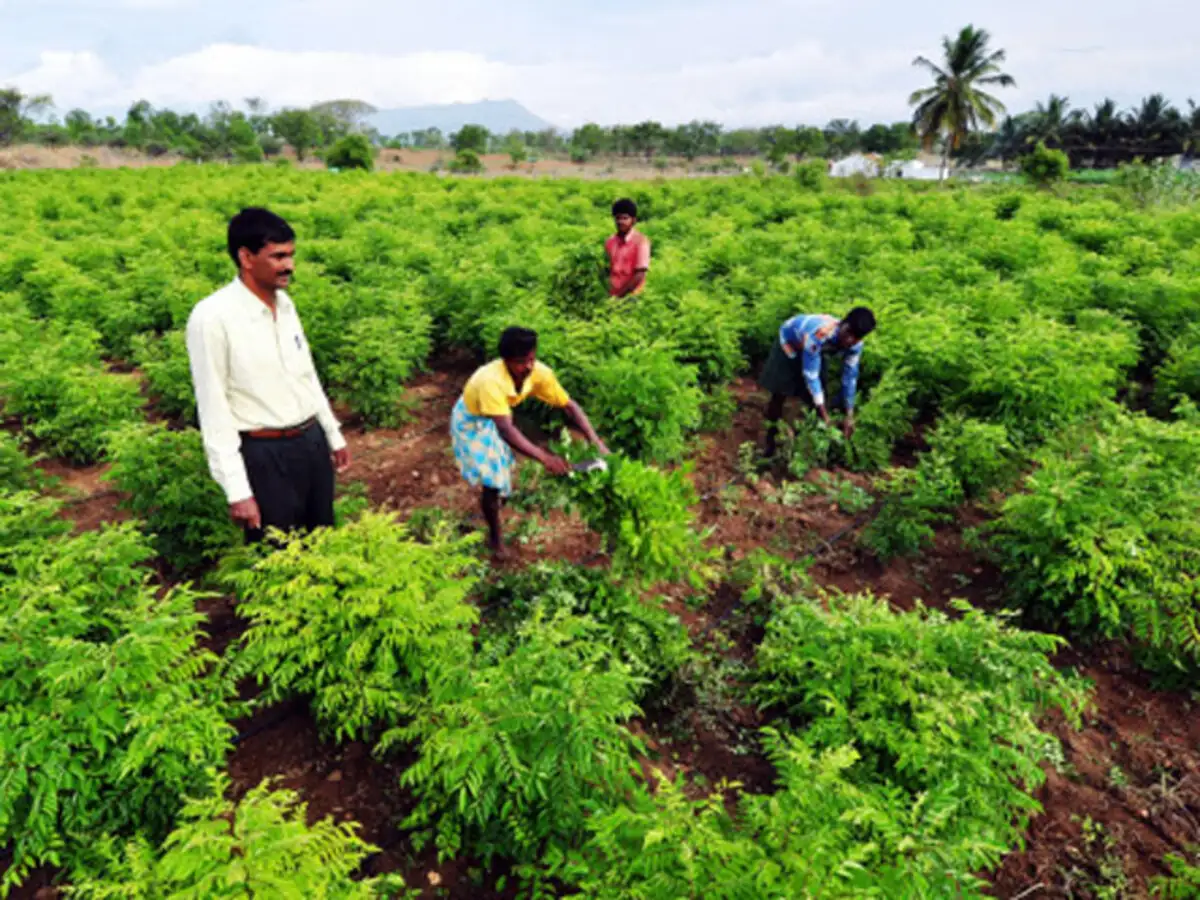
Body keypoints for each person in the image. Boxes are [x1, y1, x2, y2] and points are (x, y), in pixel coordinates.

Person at [186, 207, 350, 543]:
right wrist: (237, 490)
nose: (289, 265)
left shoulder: (286, 305)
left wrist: (332, 434)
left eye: (290, 255)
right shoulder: (213, 318)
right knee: (276, 553)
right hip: (264, 454)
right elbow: (213, 407)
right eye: (278, 256)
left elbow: (306, 374)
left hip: (310, 442)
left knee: (323, 544)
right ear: (246, 257)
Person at [452, 327, 609, 559]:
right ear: (506, 361)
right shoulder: (490, 381)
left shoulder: (539, 373)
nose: (528, 366)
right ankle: (495, 540)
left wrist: (595, 441)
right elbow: (506, 429)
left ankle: (491, 507)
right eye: (520, 362)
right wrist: (545, 458)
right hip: (471, 421)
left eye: (531, 359)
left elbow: (569, 406)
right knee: (493, 479)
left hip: (495, 418)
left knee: (503, 469)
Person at [760, 307, 877, 458]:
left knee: (816, 399)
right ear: (842, 324)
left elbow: (850, 378)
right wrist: (826, 417)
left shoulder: (855, 346)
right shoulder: (820, 334)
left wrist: (849, 414)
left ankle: (806, 446)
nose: (849, 340)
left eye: (856, 337)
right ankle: (770, 439)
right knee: (781, 390)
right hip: (790, 343)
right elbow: (811, 375)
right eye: (848, 333)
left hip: (815, 351)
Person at [605, 198, 651, 297]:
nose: (620, 222)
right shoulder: (610, 242)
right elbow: (607, 270)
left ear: (633, 220)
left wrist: (619, 297)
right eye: (618, 218)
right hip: (612, 296)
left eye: (625, 218)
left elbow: (640, 275)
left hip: (633, 297)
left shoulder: (641, 241)